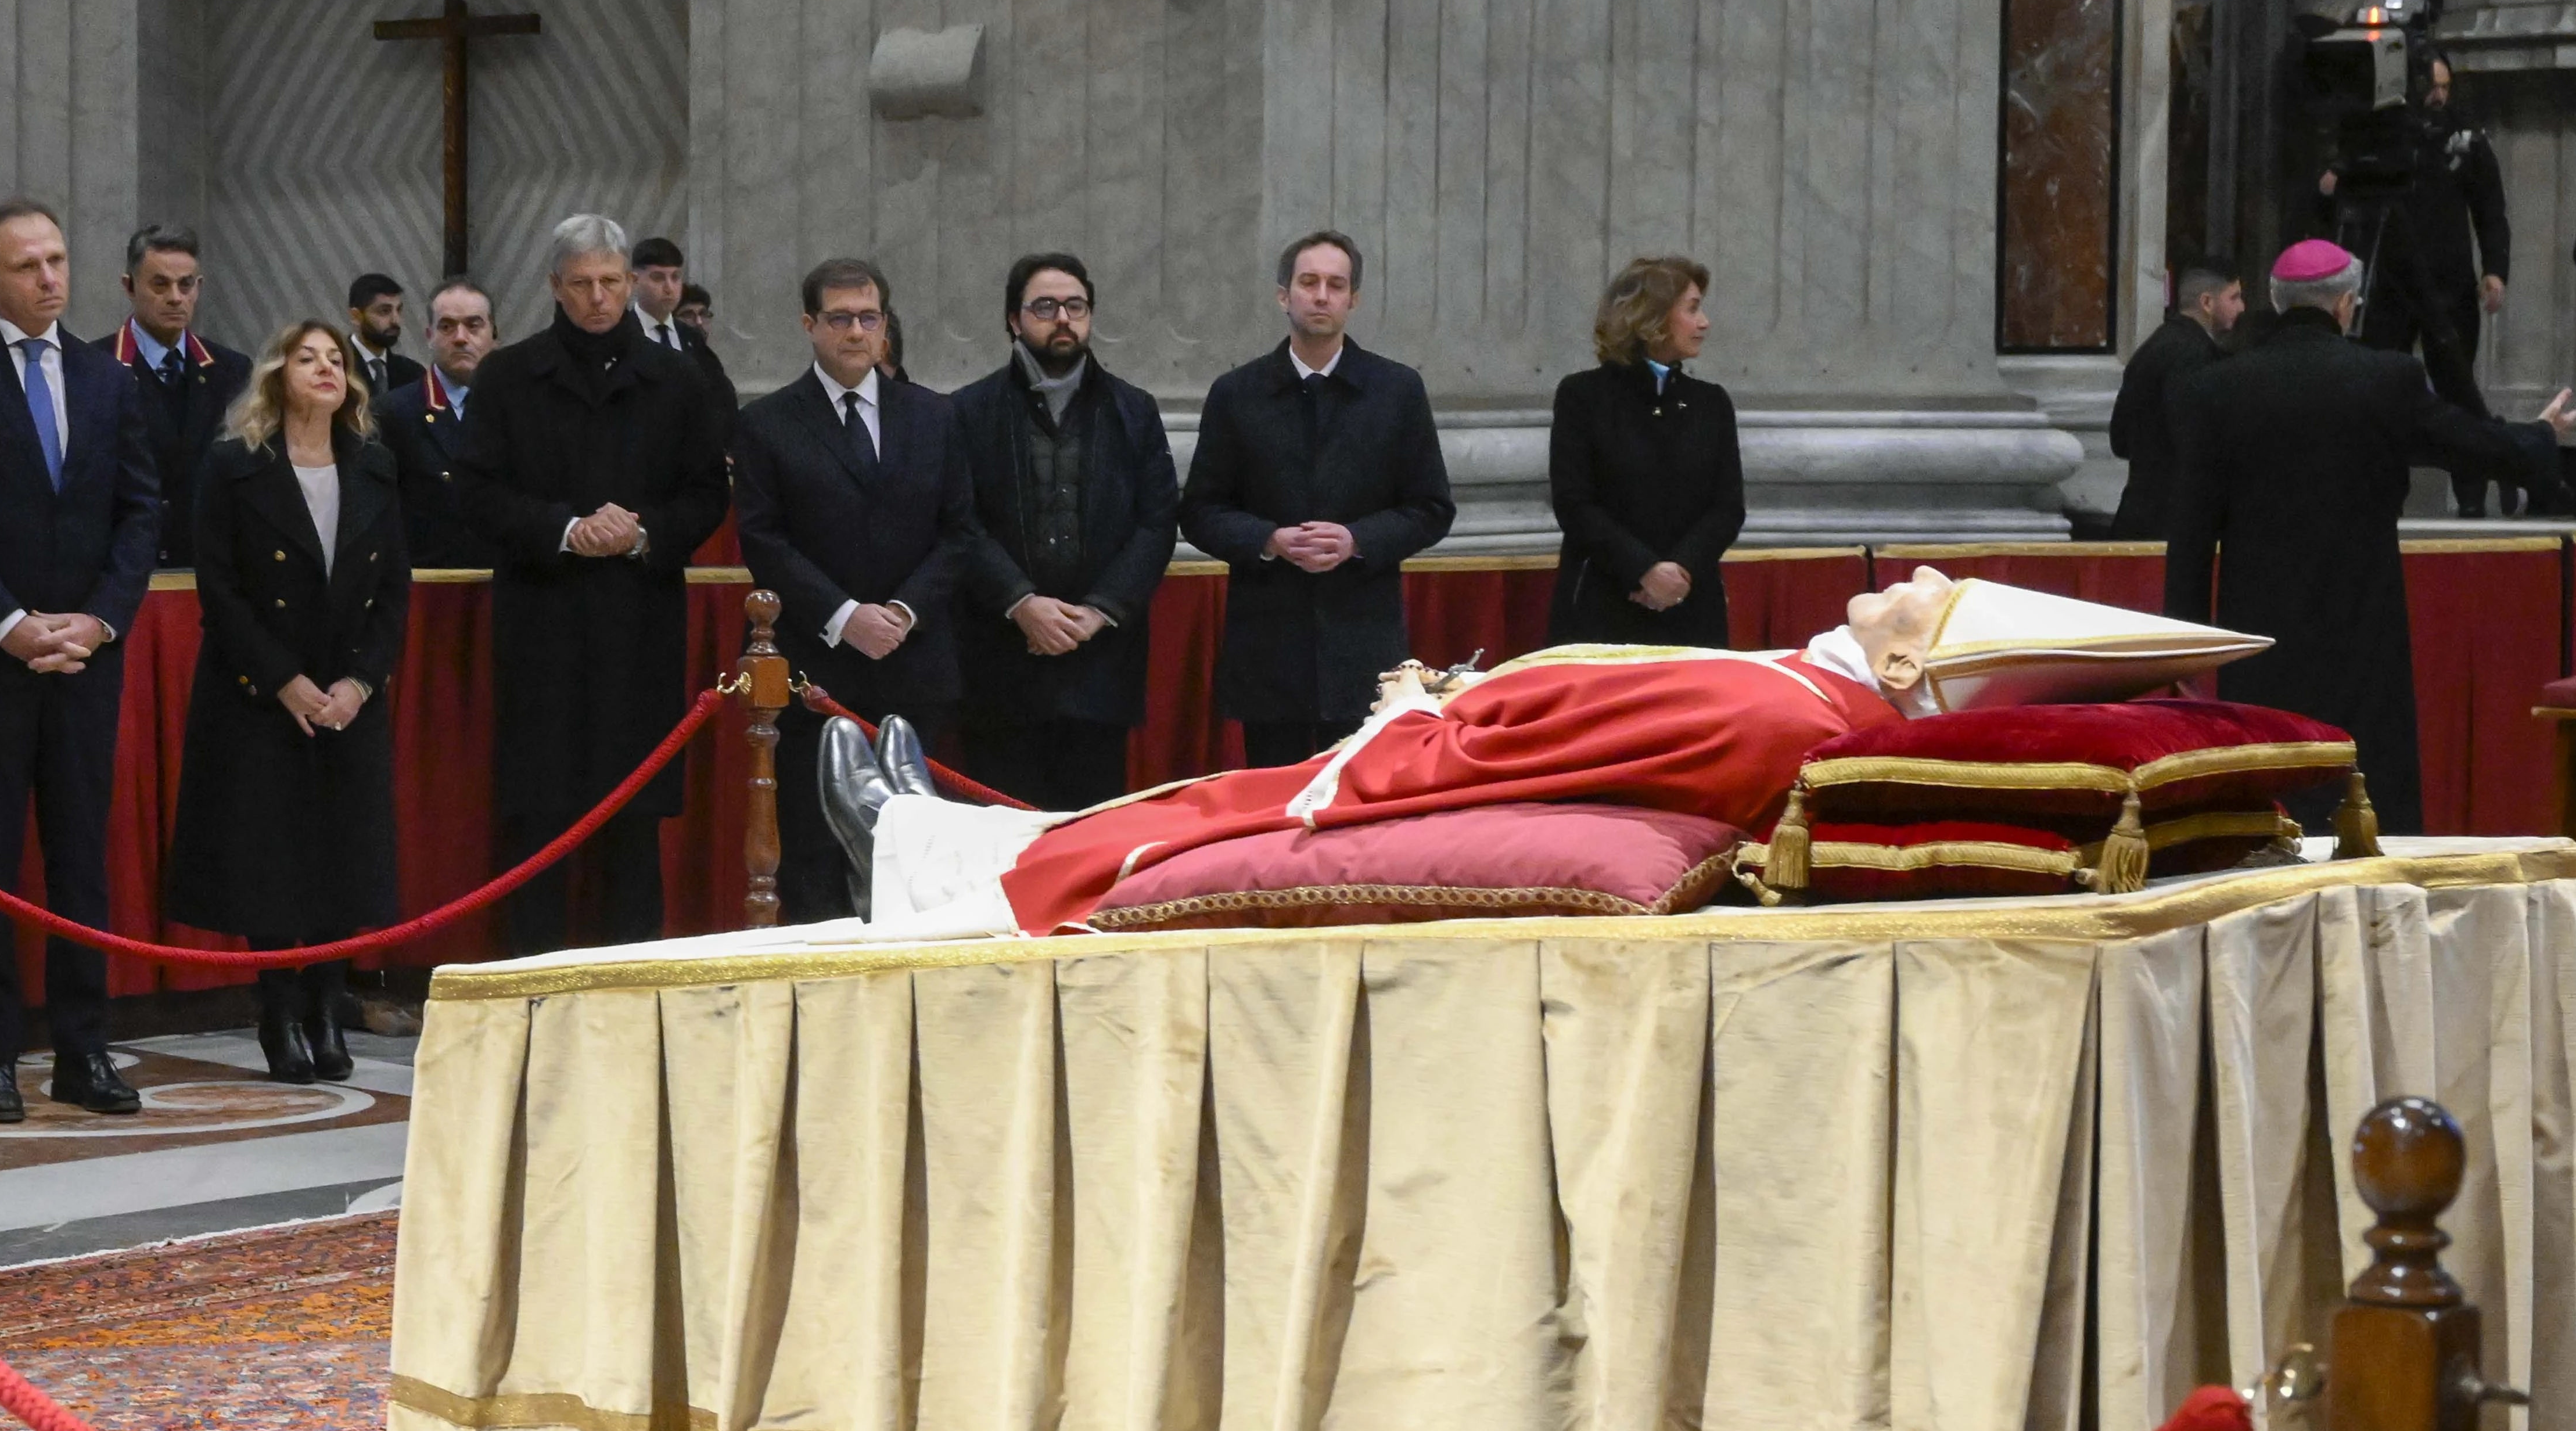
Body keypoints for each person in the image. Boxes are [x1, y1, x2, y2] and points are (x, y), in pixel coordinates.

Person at [829, 568, 2004, 938]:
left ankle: (914, 846)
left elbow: (1566, 741)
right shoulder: (1805, 691)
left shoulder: (1789, 715)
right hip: (1469, 733)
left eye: (1924, 601)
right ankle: (938, 829)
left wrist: (1429, 716)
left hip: (1452, 763)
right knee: (1215, 795)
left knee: (1224, 817)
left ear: (1911, 670)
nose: (1904, 579)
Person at [0, 198, 164, 1121]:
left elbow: (139, 513)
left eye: (56, 259)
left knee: (81, 863)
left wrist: (97, 621)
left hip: (85, 662)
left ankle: (83, 1052)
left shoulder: (106, 378)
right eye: (26, 266)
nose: (49, 278)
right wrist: (9, 624)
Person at [2163, 236, 2576, 830]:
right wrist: (2539, 436)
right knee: (2362, 775)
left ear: (2278, 302)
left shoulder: (2215, 390)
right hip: (2360, 621)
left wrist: (2185, 641)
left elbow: (2191, 529)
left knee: (2269, 775)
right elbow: (2469, 443)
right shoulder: (2384, 380)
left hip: (2257, 629)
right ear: (2345, 305)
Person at [455, 214, 732, 952]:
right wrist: (566, 529)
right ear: (554, 287)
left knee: (633, 817)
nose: (599, 300)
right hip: (541, 625)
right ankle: (532, 982)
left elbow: (707, 492)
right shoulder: (509, 376)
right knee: (538, 819)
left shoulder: (678, 377)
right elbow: (477, 492)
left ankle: (629, 979)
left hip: (637, 623)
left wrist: (641, 533)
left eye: (612, 282)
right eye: (581, 285)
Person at [173, 320, 411, 1083]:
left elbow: (391, 594)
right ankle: (277, 1012)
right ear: (277, 373)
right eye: (307, 358)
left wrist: (359, 683)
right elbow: (221, 589)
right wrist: (283, 682)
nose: (325, 369)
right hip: (260, 696)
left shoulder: (372, 465)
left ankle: (324, 1007)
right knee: (271, 864)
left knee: (340, 859)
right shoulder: (234, 465)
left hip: (346, 696)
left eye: (335, 359)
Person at [733, 258, 983, 921]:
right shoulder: (768, 423)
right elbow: (763, 540)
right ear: (809, 325)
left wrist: (901, 612)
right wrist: (845, 617)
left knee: (916, 840)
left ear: (884, 328)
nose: (854, 332)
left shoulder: (933, 416)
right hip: (815, 664)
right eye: (839, 319)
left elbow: (959, 531)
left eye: (867, 318)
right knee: (813, 840)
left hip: (913, 659)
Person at [1181, 231, 1455, 765]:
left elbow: (1430, 507)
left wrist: (1358, 538)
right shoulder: (1237, 393)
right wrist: (1269, 539)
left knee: (1358, 805)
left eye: (1336, 284)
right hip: (1268, 640)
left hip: (1363, 643)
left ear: (1353, 299)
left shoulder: (1396, 390)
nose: (1321, 296)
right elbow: (1200, 510)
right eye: (1308, 283)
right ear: (1283, 295)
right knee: (1274, 804)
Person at [947, 250, 1179, 814]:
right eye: (1045, 306)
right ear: (1013, 319)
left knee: (1087, 836)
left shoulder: (1134, 410)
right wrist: (1021, 603)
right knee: (1001, 843)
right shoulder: (965, 412)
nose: (1063, 319)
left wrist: (1097, 612)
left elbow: (1156, 522)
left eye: (1075, 306)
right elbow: (959, 522)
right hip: (998, 661)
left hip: (1099, 661)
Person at [2327, 55, 2514, 513]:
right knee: (2377, 385)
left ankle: (2472, 495)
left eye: (2446, 87)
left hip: (2448, 282)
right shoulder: (2385, 135)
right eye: (2433, 86)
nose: (2440, 96)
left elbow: (2490, 209)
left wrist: (2494, 269)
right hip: (2389, 283)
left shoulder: (2464, 140)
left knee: (2456, 388)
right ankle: (2376, 491)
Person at [1545, 255, 1746, 647]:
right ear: (1650, 318)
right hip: (1603, 604)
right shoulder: (1583, 396)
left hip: (1691, 605)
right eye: (1691, 308)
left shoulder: (1711, 402)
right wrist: (1643, 570)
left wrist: (1679, 571)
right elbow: (1574, 503)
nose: (1704, 322)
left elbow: (1727, 507)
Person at [113, 225, 245, 565]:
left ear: (198, 288)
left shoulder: (233, 372)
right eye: (160, 284)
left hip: (209, 565)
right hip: (122, 566)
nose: (175, 297)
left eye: (186, 285)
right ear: (129, 286)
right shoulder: (92, 369)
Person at [2108, 257, 2241, 540]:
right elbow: (2195, 438)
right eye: (2235, 297)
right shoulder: (2196, 357)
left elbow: (2119, 439)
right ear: (2208, 302)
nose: (2242, 308)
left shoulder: (2154, 346)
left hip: (2138, 509)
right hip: (2174, 520)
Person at [373, 277, 496, 569]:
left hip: (504, 586)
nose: (461, 337)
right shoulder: (393, 412)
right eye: (447, 326)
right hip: (428, 587)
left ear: (494, 334)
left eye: (474, 325)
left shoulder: (519, 408)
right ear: (429, 335)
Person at [624, 231, 733, 401]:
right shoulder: (621, 336)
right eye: (658, 278)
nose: (669, 287)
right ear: (635, 281)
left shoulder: (692, 338)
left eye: (676, 277)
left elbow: (721, 397)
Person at [347, 271, 425, 395]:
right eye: (384, 311)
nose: (396, 320)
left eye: (399, 310)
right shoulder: (336, 368)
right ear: (356, 316)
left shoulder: (413, 374)